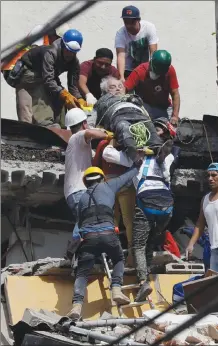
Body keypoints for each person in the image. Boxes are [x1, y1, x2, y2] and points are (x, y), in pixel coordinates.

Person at [102, 117, 179, 301]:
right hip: (167, 206)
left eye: (159, 129)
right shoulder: (168, 157)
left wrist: (117, 138)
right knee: (149, 244)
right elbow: (167, 156)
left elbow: (107, 154)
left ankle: (143, 281)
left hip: (147, 201)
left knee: (138, 245)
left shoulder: (136, 158)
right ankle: (146, 278)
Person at [67, 163, 142, 320]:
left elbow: (79, 225)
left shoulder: (82, 199)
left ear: (86, 182)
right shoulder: (108, 186)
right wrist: (138, 163)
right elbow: (127, 177)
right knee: (119, 259)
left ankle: (76, 305)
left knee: (82, 273)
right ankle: (116, 288)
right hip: (109, 234)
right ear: (102, 178)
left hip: (88, 239)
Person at [64, 108, 114, 251]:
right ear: (84, 124)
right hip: (78, 190)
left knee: (85, 220)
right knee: (87, 218)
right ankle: (74, 248)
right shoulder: (78, 137)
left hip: (74, 192)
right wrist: (108, 134)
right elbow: (90, 133)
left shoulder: (77, 146)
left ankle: (79, 250)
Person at [15, 29, 86, 127]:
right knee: (30, 107)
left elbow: (72, 86)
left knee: (60, 96)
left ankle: (61, 125)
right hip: (27, 74)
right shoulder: (50, 53)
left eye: (74, 52)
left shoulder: (74, 62)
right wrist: (63, 94)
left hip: (46, 76)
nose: (70, 54)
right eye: (68, 50)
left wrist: (79, 99)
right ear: (63, 44)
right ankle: (45, 124)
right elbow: (48, 80)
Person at [95, 76, 171, 164]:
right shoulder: (104, 99)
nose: (118, 89)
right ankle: (134, 154)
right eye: (112, 87)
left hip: (138, 114)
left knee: (149, 126)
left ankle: (159, 149)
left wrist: (133, 99)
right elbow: (96, 113)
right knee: (124, 127)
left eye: (120, 86)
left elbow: (143, 107)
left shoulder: (132, 97)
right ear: (105, 91)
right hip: (119, 115)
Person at [93, 137, 136, 267]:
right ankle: (131, 254)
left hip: (109, 186)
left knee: (113, 221)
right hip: (125, 185)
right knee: (129, 221)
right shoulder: (129, 143)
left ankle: (114, 253)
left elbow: (95, 164)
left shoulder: (104, 144)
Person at [125, 50, 180, 123]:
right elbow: (125, 88)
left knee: (170, 128)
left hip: (163, 108)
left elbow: (175, 94)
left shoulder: (170, 71)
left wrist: (175, 116)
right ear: (150, 63)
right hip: (145, 107)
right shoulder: (140, 71)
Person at [115, 5, 158, 82]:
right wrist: (121, 76)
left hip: (145, 68)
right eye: (126, 22)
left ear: (138, 20)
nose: (129, 25)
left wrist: (153, 71)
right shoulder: (120, 34)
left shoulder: (149, 28)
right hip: (128, 70)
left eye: (132, 22)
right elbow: (120, 55)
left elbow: (153, 52)